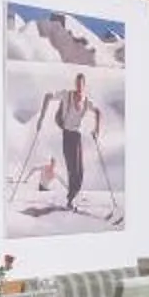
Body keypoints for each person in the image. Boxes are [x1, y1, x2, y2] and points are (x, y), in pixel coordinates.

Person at [51, 72, 102, 212]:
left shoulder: (86, 101)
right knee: (72, 169)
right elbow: (50, 96)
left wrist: (96, 129)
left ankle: (72, 196)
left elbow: (98, 112)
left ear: (84, 85)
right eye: (77, 83)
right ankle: (70, 200)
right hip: (67, 135)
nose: (79, 86)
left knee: (80, 171)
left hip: (77, 136)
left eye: (81, 84)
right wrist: (41, 118)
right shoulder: (67, 95)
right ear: (75, 84)